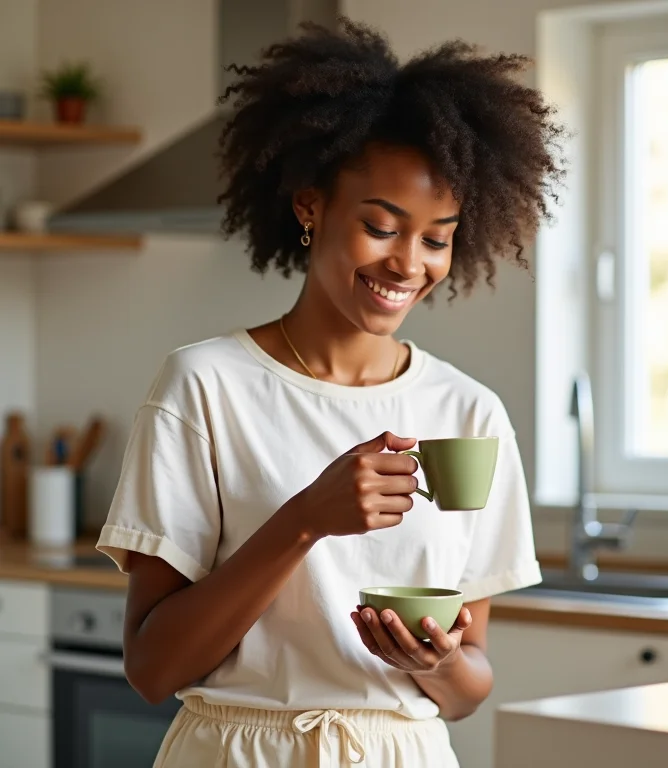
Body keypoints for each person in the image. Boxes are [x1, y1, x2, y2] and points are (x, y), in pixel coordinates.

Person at [96, 17, 563, 768]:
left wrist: (432, 660)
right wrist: (304, 521)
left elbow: (471, 682)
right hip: (237, 753)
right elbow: (152, 669)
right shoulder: (205, 387)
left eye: (437, 237)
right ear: (310, 207)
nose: (408, 263)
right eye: (381, 226)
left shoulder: (468, 414)